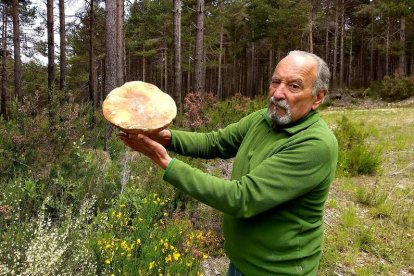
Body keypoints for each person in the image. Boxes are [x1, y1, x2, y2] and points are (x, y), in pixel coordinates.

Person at [118, 50, 338, 275]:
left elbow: (241, 198)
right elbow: (215, 142)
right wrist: (167, 138)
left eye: (294, 86)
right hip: (240, 261)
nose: (278, 93)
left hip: (278, 270)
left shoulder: (315, 144)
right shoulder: (263, 119)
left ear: (317, 97)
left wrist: (166, 163)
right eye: (275, 81)